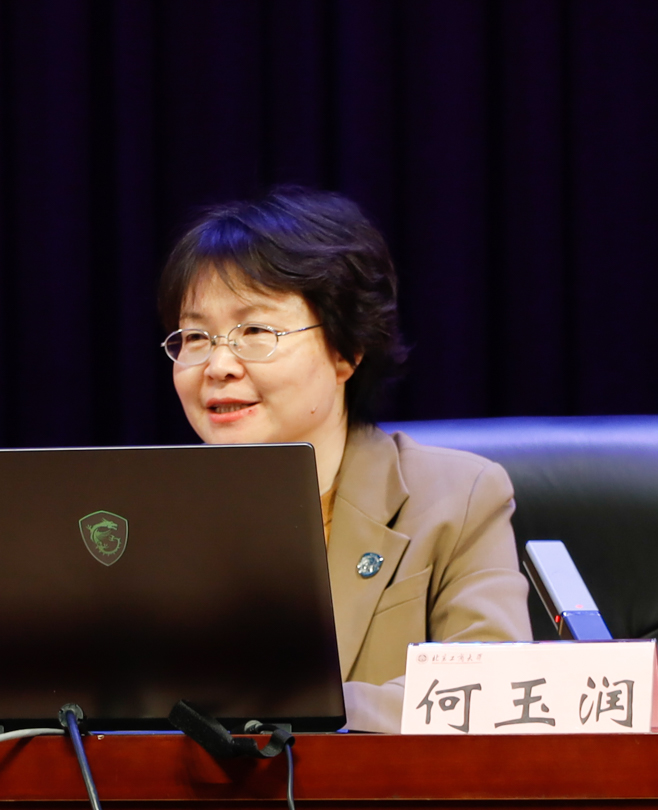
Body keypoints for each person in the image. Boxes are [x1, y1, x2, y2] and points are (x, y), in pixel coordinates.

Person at [158, 187, 531, 732]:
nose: (218, 365)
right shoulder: (146, 514)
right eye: (196, 337)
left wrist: (274, 709)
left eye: (255, 331)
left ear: (346, 351)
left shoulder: (458, 497)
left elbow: (496, 691)